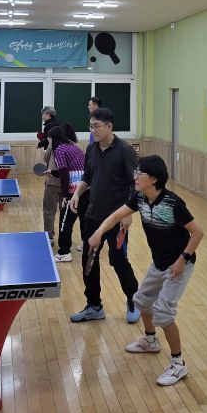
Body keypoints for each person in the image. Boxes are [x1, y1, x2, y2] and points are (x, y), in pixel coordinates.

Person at [86, 154, 204, 386]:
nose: (135, 176)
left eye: (140, 173)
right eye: (136, 172)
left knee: (164, 312)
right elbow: (116, 216)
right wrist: (99, 232)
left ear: (154, 179)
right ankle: (150, 341)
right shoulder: (140, 198)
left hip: (178, 264)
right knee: (141, 300)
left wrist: (183, 259)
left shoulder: (173, 203)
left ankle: (178, 364)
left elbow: (198, 232)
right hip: (159, 262)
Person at [69, 106, 141, 324]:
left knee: (118, 260)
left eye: (96, 126)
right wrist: (77, 193)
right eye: (90, 126)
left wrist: (128, 213)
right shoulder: (91, 149)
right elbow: (87, 177)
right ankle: (94, 306)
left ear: (109, 126)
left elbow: (135, 184)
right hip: (93, 215)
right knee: (88, 260)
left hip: (117, 217)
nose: (93, 130)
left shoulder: (125, 151)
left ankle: (134, 300)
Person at [48, 123, 86, 262]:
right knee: (84, 218)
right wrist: (53, 172)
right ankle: (87, 245)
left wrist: (65, 195)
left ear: (54, 138)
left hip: (74, 191)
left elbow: (64, 172)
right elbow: (70, 170)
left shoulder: (58, 150)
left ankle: (64, 252)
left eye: (49, 138)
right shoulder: (73, 147)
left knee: (65, 221)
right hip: (86, 188)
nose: (49, 141)